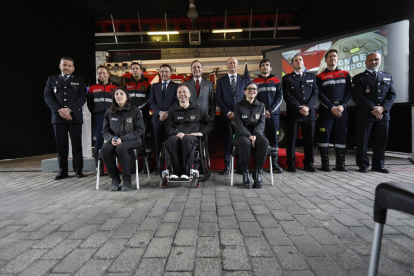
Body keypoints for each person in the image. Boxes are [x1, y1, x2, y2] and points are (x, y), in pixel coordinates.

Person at [352, 52, 396, 173]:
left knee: (381, 141)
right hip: (365, 115)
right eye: (370, 60)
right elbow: (357, 96)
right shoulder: (358, 78)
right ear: (366, 62)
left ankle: (378, 165)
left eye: (376, 60)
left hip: (383, 115)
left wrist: (382, 108)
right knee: (363, 142)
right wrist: (374, 109)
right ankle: (363, 165)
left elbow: (392, 95)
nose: (373, 62)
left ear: (380, 61)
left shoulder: (387, 76)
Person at [44, 57, 86, 180]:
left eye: (69, 66)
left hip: (75, 117)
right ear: (60, 66)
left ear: (73, 68)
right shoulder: (52, 79)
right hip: (58, 117)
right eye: (64, 65)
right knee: (61, 145)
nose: (66, 67)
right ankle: (62, 171)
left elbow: (82, 98)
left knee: (77, 145)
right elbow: (48, 97)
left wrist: (69, 109)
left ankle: (78, 170)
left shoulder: (79, 80)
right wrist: (60, 110)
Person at [165, 84, 215, 179]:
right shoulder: (172, 112)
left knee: (187, 139)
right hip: (177, 136)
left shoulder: (198, 110)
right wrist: (177, 133)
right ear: (176, 95)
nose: (182, 94)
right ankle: (176, 171)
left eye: (184, 92)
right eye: (179, 92)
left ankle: (187, 171)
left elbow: (211, 123)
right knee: (171, 140)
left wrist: (201, 133)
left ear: (189, 94)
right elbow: (168, 128)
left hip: (193, 138)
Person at [101, 88, 144, 191]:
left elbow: (139, 130)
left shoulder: (135, 111)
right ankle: (115, 179)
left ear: (127, 96)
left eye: (121, 94)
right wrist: (111, 139)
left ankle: (126, 180)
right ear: (114, 97)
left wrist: (123, 139)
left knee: (121, 148)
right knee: (105, 149)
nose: (119, 96)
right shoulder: (110, 111)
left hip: (134, 140)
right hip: (115, 139)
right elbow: (105, 130)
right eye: (116, 94)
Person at [316, 49, 352, 172]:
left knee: (341, 135)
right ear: (326, 60)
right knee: (324, 135)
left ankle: (340, 163)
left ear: (337, 59)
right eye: (330, 56)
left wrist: (342, 106)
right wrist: (331, 107)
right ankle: (325, 163)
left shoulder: (345, 74)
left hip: (342, 110)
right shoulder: (320, 76)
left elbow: (349, 92)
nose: (332, 58)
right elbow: (320, 94)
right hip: (326, 110)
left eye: (334, 56)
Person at [282, 54, 319, 172]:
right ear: (292, 64)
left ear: (303, 62)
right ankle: (291, 163)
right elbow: (287, 96)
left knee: (309, 140)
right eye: (296, 61)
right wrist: (299, 108)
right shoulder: (287, 78)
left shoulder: (311, 76)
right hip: (294, 113)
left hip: (309, 113)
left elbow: (315, 93)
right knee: (292, 140)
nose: (298, 62)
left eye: (300, 60)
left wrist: (307, 107)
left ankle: (309, 164)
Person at [216, 57, 250, 175]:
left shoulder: (244, 80)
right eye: (230, 63)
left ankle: (240, 166)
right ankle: (227, 167)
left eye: (234, 63)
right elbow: (219, 99)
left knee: (241, 141)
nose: (232, 65)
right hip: (226, 117)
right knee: (227, 142)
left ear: (237, 65)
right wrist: (228, 113)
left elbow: (247, 98)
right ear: (227, 66)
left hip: (241, 118)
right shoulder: (221, 81)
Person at [233, 82, 269, 189]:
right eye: (249, 89)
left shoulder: (261, 106)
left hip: (256, 136)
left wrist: (255, 135)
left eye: (254, 89)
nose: (251, 91)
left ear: (256, 92)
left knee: (264, 142)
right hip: (240, 136)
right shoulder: (238, 106)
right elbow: (238, 124)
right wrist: (249, 135)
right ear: (244, 92)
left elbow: (262, 123)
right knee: (245, 142)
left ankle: (258, 172)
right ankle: (246, 173)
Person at [253, 59, 283, 173]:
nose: (265, 67)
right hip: (259, 116)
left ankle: (274, 164)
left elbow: (279, 98)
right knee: (259, 139)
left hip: (273, 115)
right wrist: (262, 112)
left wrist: (270, 111)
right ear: (260, 68)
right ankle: (259, 165)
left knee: (273, 139)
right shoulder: (255, 82)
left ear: (270, 68)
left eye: (267, 65)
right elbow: (253, 99)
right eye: (263, 65)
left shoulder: (277, 81)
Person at [87, 65, 117, 175]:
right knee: (99, 142)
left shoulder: (114, 89)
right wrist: (96, 113)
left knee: (112, 141)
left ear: (108, 74)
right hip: (98, 118)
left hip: (112, 118)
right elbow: (90, 105)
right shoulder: (92, 88)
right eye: (99, 73)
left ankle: (111, 168)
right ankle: (98, 167)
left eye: (104, 73)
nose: (102, 75)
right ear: (97, 75)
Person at [149, 64, 178, 175]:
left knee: (171, 144)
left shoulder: (176, 86)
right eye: (162, 72)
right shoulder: (154, 86)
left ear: (171, 73)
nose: (164, 74)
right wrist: (160, 113)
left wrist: (167, 113)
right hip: (157, 119)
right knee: (158, 144)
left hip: (170, 120)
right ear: (159, 73)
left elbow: (176, 101)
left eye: (166, 71)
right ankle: (159, 167)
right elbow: (152, 101)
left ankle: (171, 167)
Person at [124, 62, 152, 173]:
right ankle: (132, 165)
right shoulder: (126, 85)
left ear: (141, 71)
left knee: (145, 140)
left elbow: (148, 99)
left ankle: (146, 165)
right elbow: (124, 99)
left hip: (143, 117)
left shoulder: (147, 84)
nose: (135, 70)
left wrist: (138, 108)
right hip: (129, 118)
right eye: (133, 69)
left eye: (137, 68)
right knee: (130, 139)